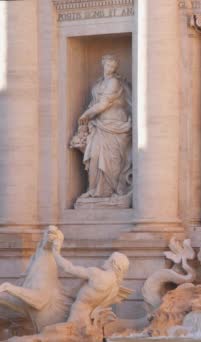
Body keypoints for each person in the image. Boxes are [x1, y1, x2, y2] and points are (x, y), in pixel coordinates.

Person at [73, 54, 132, 199]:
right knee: (94, 156)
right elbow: (95, 103)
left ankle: (109, 191)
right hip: (99, 125)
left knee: (112, 159)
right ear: (103, 65)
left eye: (113, 66)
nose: (110, 68)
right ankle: (93, 190)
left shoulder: (114, 83)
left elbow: (104, 104)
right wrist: (89, 116)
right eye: (108, 65)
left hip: (114, 124)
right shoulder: (98, 84)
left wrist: (86, 114)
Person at [50, 228, 129, 328]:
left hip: (76, 314)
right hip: (88, 318)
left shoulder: (96, 274)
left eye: (108, 259)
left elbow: (68, 268)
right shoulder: (115, 288)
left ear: (113, 263)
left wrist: (55, 253)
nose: (105, 261)